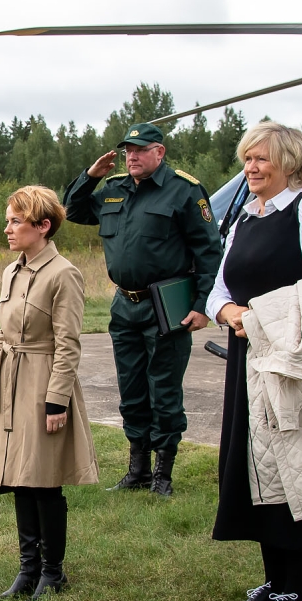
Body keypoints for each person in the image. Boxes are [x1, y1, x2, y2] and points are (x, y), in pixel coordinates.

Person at [205, 121, 302, 601]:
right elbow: (218, 289)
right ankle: (274, 583)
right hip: (249, 357)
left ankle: (298, 592)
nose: (250, 167)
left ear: (289, 163)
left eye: (261, 158)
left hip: (293, 359)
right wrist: (229, 313)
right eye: (247, 158)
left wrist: (261, 316)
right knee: (258, 467)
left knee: (296, 465)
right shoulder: (246, 216)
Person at [63, 123, 222, 496]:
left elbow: (209, 251)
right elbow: (71, 209)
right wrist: (90, 176)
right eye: (127, 151)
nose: (131, 156)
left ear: (159, 152)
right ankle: (138, 471)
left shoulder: (183, 190)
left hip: (167, 304)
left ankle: (163, 475)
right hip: (125, 306)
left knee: (163, 390)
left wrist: (202, 306)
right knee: (132, 390)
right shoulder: (114, 189)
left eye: (139, 149)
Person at [0, 185, 100, 600]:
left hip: (43, 384)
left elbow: (68, 344)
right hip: (10, 382)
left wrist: (56, 400)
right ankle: (28, 571)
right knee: (19, 478)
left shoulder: (64, 274)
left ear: (43, 226)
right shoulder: (11, 271)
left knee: (43, 480)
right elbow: (2, 339)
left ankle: (53, 573)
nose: (7, 229)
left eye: (15, 221)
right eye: (7, 220)